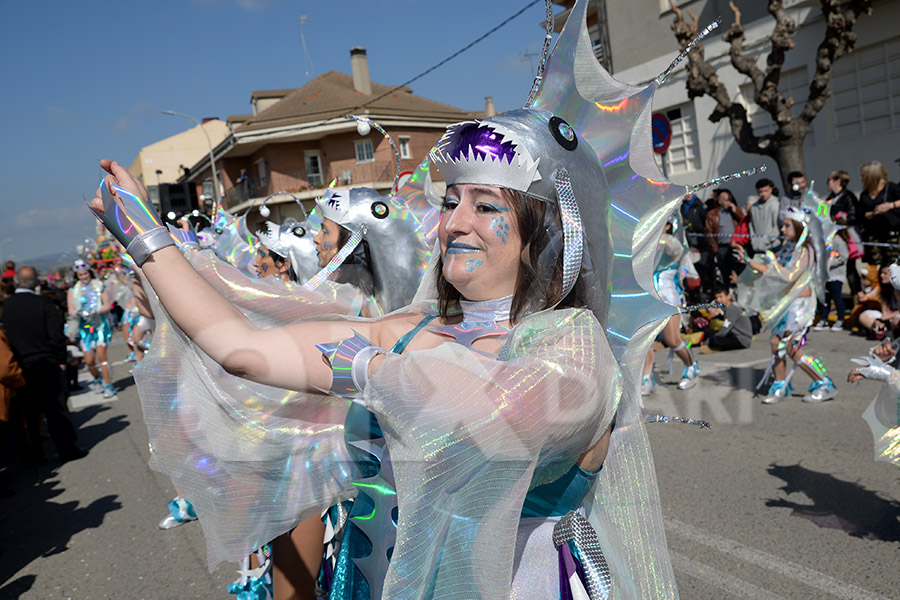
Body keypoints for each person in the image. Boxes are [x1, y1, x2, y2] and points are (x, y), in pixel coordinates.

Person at [735, 207, 838, 403]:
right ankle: (780, 386)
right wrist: (749, 261)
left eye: (787, 225)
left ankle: (824, 383)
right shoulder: (789, 248)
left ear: (799, 227)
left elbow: (789, 275)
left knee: (791, 347)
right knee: (776, 344)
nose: (782, 229)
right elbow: (775, 273)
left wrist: (772, 261)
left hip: (799, 305)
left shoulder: (806, 250)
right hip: (787, 303)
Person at [2, 266, 86, 463]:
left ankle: (32, 455)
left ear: (15, 282)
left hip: (20, 366)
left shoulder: (6, 307)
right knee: (56, 410)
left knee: (27, 414)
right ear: (37, 282)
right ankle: (67, 449)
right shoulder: (44, 304)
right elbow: (56, 336)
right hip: (47, 364)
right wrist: (61, 360)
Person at [642, 217, 700, 394]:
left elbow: (675, 252)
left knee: (672, 340)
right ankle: (646, 378)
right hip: (649, 298)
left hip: (669, 298)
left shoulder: (672, 242)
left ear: (668, 226)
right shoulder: (646, 242)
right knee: (645, 340)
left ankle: (691, 367)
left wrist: (658, 240)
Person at [68, 260, 116, 398]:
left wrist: (97, 310)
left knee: (102, 356)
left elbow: (107, 305)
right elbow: (71, 310)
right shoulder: (73, 291)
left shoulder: (99, 286)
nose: (83, 277)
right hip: (86, 328)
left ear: (89, 273)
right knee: (89, 361)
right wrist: (79, 312)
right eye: (80, 275)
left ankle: (108, 385)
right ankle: (97, 379)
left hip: (100, 325)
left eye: (85, 274)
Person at [858, 160, 900, 266]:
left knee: (893, 265)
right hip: (875, 235)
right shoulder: (864, 194)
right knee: (878, 266)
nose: (860, 178)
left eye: (863, 175)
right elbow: (861, 213)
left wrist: (890, 205)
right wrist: (870, 214)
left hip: (892, 234)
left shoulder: (891, 188)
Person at [814, 216, 851, 331]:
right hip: (826, 276)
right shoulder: (827, 240)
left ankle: (840, 319)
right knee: (825, 298)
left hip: (836, 275)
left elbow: (844, 257)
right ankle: (824, 319)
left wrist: (830, 263)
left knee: (836, 297)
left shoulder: (839, 241)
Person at [705, 188, 744, 289]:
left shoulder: (733, 212)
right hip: (722, 247)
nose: (728, 202)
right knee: (725, 272)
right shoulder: (712, 214)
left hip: (735, 246)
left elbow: (744, 222)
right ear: (720, 201)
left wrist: (736, 211)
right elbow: (708, 233)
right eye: (726, 200)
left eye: (729, 200)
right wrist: (715, 249)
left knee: (738, 271)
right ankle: (729, 292)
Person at [856, 264, 900, 340]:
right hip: (889, 317)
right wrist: (878, 321)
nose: (881, 275)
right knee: (863, 316)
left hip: (896, 316)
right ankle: (881, 330)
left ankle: (882, 331)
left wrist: (886, 318)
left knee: (896, 321)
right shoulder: (884, 289)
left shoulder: (898, 289)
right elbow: (884, 312)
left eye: (885, 273)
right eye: (881, 273)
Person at [703, 287, 752, 351]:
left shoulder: (732, 310)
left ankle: (714, 347)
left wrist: (708, 341)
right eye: (716, 298)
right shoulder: (727, 309)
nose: (718, 300)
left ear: (728, 296)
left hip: (741, 339)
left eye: (721, 297)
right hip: (734, 335)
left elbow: (724, 331)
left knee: (714, 340)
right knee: (709, 332)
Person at [748, 178, 782, 256]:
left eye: (766, 191)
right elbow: (751, 225)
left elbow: (777, 226)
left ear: (771, 190)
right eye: (760, 192)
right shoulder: (754, 207)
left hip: (773, 247)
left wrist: (767, 240)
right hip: (757, 247)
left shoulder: (775, 204)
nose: (763, 194)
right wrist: (753, 240)